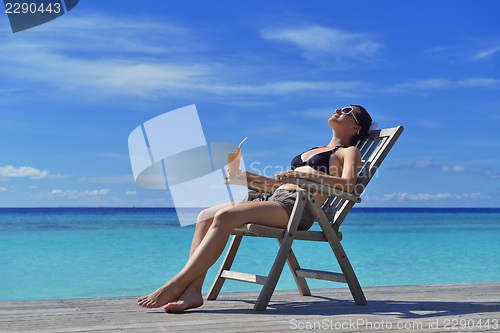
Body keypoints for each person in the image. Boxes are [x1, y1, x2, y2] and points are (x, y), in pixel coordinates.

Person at [137, 105, 373, 312]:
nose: (338, 110)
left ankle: (175, 285)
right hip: (276, 198)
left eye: (347, 111)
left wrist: (307, 178)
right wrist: (248, 178)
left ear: (356, 128)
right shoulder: (316, 148)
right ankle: (193, 292)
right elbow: (282, 184)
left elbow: (349, 185)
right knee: (204, 216)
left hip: (299, 208)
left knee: (225, 216)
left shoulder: (348, 151)